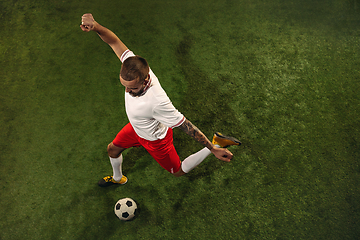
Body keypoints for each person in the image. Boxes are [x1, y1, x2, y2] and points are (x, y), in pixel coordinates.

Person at [80, 13, 241, 187]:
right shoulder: (134, 66)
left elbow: (186, 126)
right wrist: (95, 26)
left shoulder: (157, 101)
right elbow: (113, 41)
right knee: (112, 149)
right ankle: (118, 179)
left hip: (156, 140)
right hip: (136, 128)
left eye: (132, 88)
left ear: (146, 80)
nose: (127, 90)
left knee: (178, 171)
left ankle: (216, 143)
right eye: (124, 85)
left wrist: (212, 148)